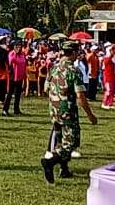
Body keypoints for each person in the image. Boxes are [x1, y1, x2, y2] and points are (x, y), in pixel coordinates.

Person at [41, 40, 97, 183]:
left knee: (59, 139)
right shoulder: (73, 70)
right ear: (72, 53)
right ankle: (50, 162)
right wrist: (90, 115)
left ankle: (64, 169)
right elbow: (80, 95)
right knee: (70, 143)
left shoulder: (53, 68)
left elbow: (46, 88)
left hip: (54, 110)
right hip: (68, 111)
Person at [5, 42, 26, 115]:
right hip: (13, 77)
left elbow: (23, 63)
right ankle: (5, 110)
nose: (18, 48)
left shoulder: (22, 54)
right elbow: (11, 61)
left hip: (20, 77)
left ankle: (16, 110)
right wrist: (16, 53)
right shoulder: (11, 54)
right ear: (13, 47)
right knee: (9, 94)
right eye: (17, 46)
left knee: (18, 95)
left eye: (20, 46)